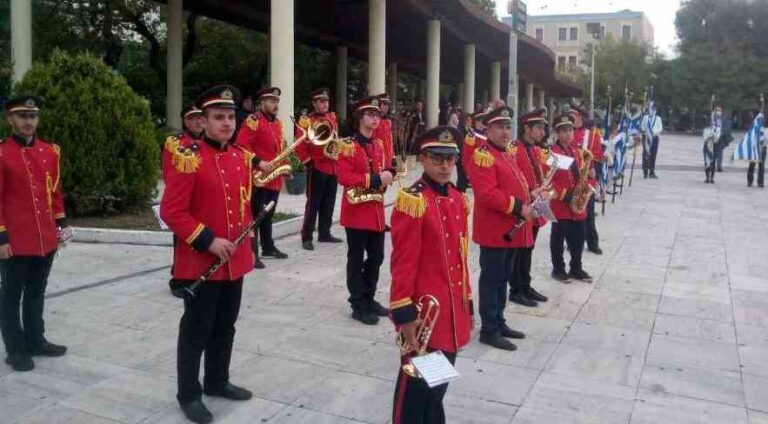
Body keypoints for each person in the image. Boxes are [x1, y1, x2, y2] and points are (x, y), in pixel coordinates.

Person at [160, 85, 255, 424]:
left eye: (231, 117)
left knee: (225, 326)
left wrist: (248, 235)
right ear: (204, 121)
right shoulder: (189, 158)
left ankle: (218, 380)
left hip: (234, 261)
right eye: (219, 117)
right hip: (202, 260)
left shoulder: (240, 156)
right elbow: (172, 212)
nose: (227, 123)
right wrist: (208, 240)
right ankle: (189, 394)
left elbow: (240, 204)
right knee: (196, 331)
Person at [389, 126, 473, 424]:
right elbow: (402, 263)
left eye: (450, 159)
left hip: (451, 315)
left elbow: (462, 259)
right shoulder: (413, 200)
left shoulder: (458, 198)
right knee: (413, 395)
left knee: (436, 389)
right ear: (422, 159)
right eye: (437, 158)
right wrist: (403, 314)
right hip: (424, 318)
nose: (445, 165)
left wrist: (468, 306)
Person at [0, 96, 69, 372]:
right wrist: (1, 238)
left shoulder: (49, 151)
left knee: (36, 292)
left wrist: (60, 226)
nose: (28, 122)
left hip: (45, 239)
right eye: (22, 116)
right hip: (15, 240)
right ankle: (15, 348)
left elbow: (55, 192)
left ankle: (35, 340)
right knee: (10, 296)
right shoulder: (2, 153)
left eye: (33, 116)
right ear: (10, 120)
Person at [468, 106, 537, 351]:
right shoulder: (483, 154)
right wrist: (519, 207)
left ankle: (499, 321)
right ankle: (489, 329)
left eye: (508, 127)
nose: (505, 132)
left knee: (503, 279)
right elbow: (488, 194)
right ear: (487, 128)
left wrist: (531, 193)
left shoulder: (505, 153)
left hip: (510, 229)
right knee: (492, 281)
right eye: (499, 127)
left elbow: (514, 183)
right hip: (495, 230)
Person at [337, 96, 396, 325]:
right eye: (370, 115)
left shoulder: (379, 145)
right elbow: (344, 176)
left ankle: (369, 298)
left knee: (377, 257)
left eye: (377, 115)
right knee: (356, 258)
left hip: (376, 210)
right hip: (356, 211)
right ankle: (358, 304)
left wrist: (389, 173)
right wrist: (374, 178)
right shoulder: (347, 145)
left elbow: (382, 170)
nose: (375, 119)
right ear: (360, 118)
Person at [236, 86, 289, 269]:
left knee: (268, 215)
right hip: (258, 177)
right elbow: (241, 145)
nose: (275, 105)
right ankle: (252, 252)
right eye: (271, 101)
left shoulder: (278, 123)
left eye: (276, 101)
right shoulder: (253, 120)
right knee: (256, 216)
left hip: (273, 179)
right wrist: (258, 162)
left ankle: (268, 247)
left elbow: (280, 149)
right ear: (262, 103)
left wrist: (285, 168)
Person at [507, 108, 550, 307]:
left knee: (529, 248)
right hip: (523, 207)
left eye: (543, 128)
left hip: (536, 206)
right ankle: (516, 289)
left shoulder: (534, 149)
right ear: (527, 128)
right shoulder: (515, 149)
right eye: (538, 128)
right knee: (520, 250)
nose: (542, 132)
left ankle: (526, 285)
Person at [163, 104, 205, 297]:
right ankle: (178, 278)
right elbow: (169, 172)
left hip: (203, 200)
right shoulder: (175, 142)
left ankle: (196, 274)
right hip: (184, 199)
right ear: (185, 121)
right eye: (193, 118)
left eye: (201, 117)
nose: (198, 121)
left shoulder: (210, 141)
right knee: (182, 240)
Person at [295, 88, 342, 250]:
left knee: (329, 202)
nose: (324, 104)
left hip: (332, 166)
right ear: (314, 103)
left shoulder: (332, 117)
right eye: (321, 101)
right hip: (317, 167)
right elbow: (299, 146)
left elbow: (335, 139)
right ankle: (306, 236)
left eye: (326, 101)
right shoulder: (306, 121)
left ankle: (324, 233)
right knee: (313, 204)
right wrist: (309, 163)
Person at [549, 114, 592, 283]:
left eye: (570, 130)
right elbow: (548, 181)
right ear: (557, 133)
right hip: (561, 204)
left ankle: (576, 267)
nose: (568, 134)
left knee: (579, 237)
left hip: (578, 205)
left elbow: (581, 173)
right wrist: (567, 196)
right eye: (564, 131)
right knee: (558, 239)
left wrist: (586, 182)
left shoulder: (576, 150)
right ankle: (558, 269)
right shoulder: (553, 153)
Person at [569, 107, 604, 255]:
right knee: (570, 214)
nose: (571, 120)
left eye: (573, 116)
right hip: (570, 178)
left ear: (581, 117)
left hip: (586, 179)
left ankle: (592, 243)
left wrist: (594, 170)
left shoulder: (591, 134)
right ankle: (572, 242)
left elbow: (598, 155)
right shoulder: (566, 133)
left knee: (588, 213)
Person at [641, 103, 664, 179]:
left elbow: (660, 128)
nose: (653, 111)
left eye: (654, 109)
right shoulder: (645, 117)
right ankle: (645, 171)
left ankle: (651, 171)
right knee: (646, 154)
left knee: (653, 154)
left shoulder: (658, 118)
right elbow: (642, 126)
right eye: (652, 109)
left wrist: (654, 132)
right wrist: (646, 131)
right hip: (646, 137)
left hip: (654, 137)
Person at [374, 94, 396, 168]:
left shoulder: (388, 122)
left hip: (388, 158)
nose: (386, 107)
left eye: (387, 104)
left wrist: (393, 156)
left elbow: (390, 141)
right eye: (384, 104)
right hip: (377, 158)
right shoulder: (374, 121)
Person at [746, 112, 766, 188]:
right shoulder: (754, 126)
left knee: (761, 166)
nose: (762, 120)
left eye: (763, 119)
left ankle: (760, 182)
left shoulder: (764, 128)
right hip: (754, 148)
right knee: (752, 165)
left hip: (763, 147)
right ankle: (750, 181)